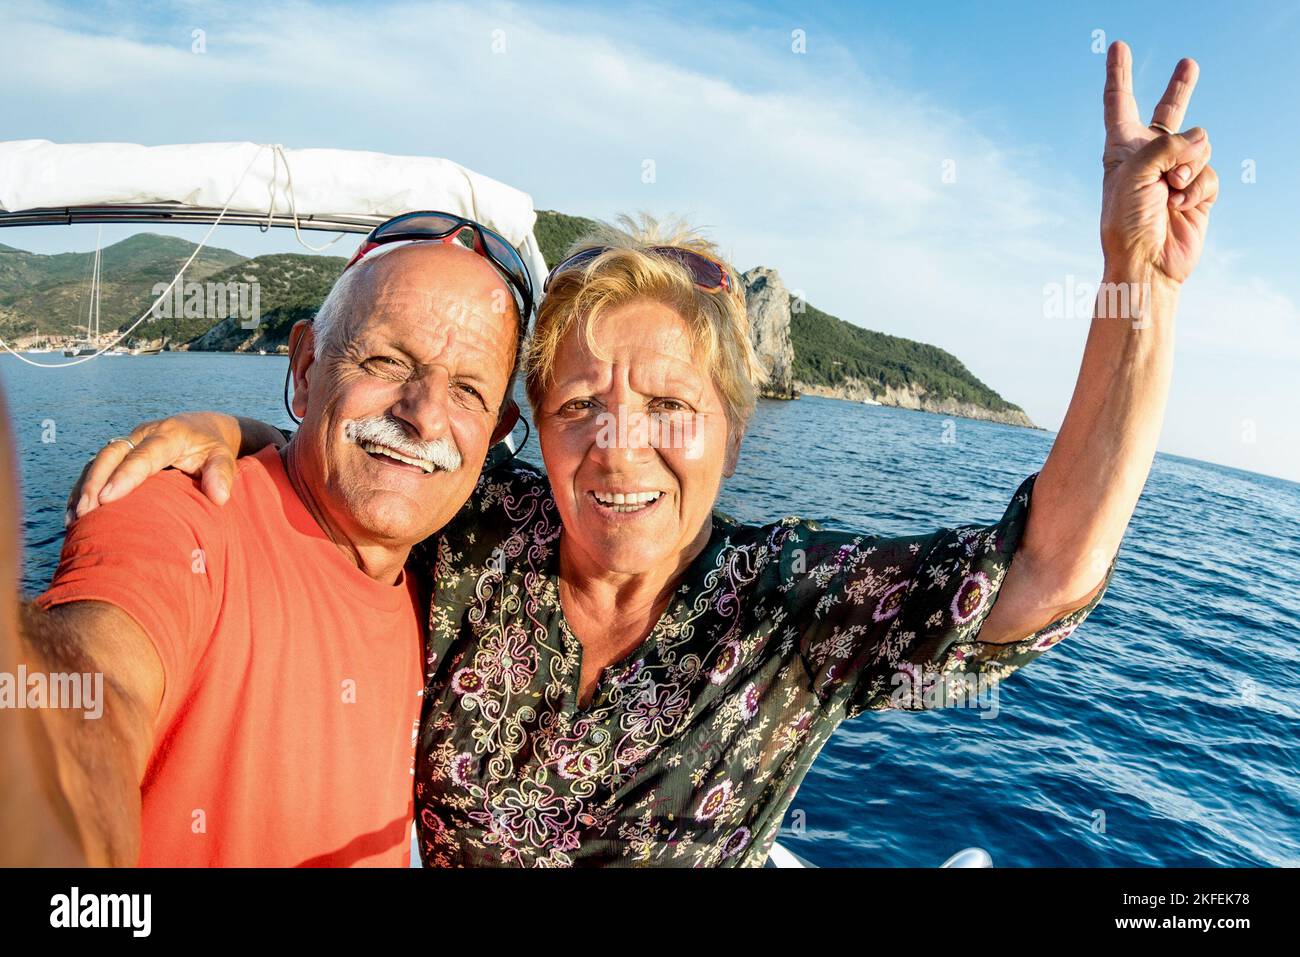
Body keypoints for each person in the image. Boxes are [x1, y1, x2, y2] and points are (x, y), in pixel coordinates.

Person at [59, 42, 1217, 866]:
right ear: (535, 430)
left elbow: (1046, 572)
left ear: (732, 423)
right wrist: (254, 428)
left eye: (667, 401)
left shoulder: (789, 608)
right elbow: (389, 458)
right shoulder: (485, 532)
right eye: (578, 404)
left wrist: (1135, 286)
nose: (621, 443)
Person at [0, 212, 536, 865]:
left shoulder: (455, 582)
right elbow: (96, 688)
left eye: (468, 390)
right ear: (307, 367)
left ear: (497, 428)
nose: (424, 416)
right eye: (388, 360)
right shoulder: (184, 512)